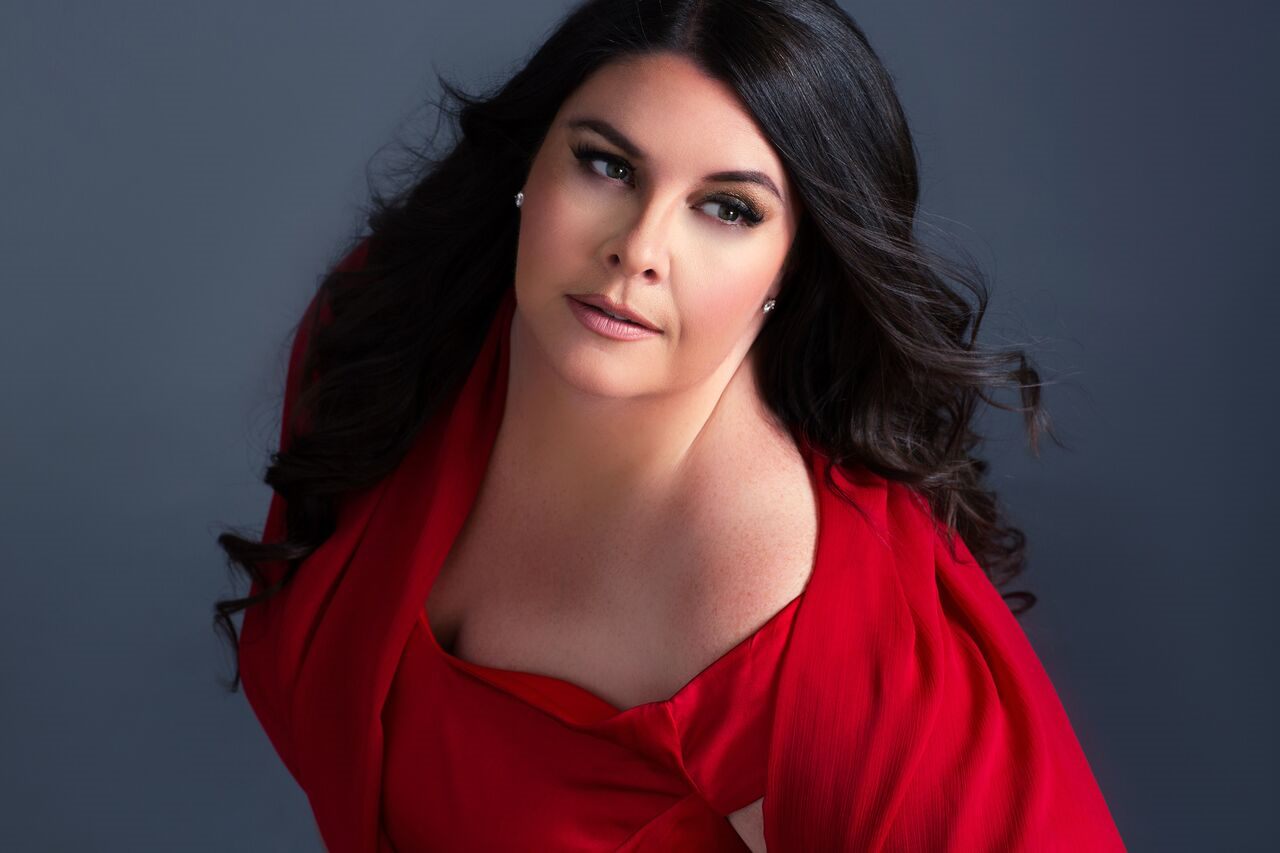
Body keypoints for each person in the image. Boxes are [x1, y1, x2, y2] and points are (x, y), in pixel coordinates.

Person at [215, 1, 1127, 850]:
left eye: (727, 209)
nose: (639, 249)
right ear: (531, 164)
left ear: (792, 267)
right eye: (607, 164)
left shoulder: (800, 630)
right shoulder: (386, 336)